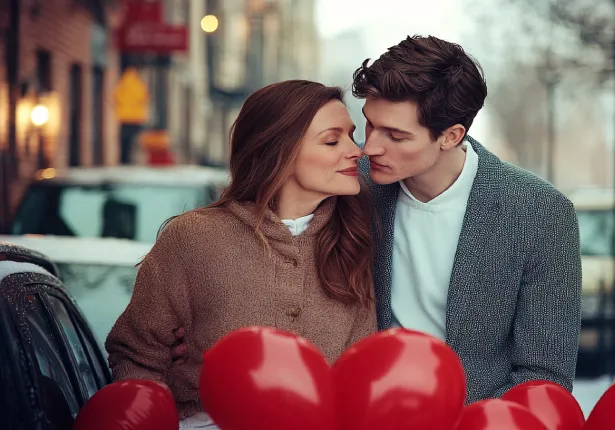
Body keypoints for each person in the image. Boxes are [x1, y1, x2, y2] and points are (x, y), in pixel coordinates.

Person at [172, 36, 582, 402]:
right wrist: (195, 328)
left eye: (396, 135)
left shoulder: (538, 214)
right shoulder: (349, 185)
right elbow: (265, 244)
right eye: (369, 124)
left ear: (451, 136)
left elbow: (544, 374)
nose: (369, 148)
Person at [105, 80, 377, 427]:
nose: (357, 151)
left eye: (351, 136)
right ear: (280, 149)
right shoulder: (194, 238)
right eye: (332, 140)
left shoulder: (361, 239)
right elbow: (137, 355)